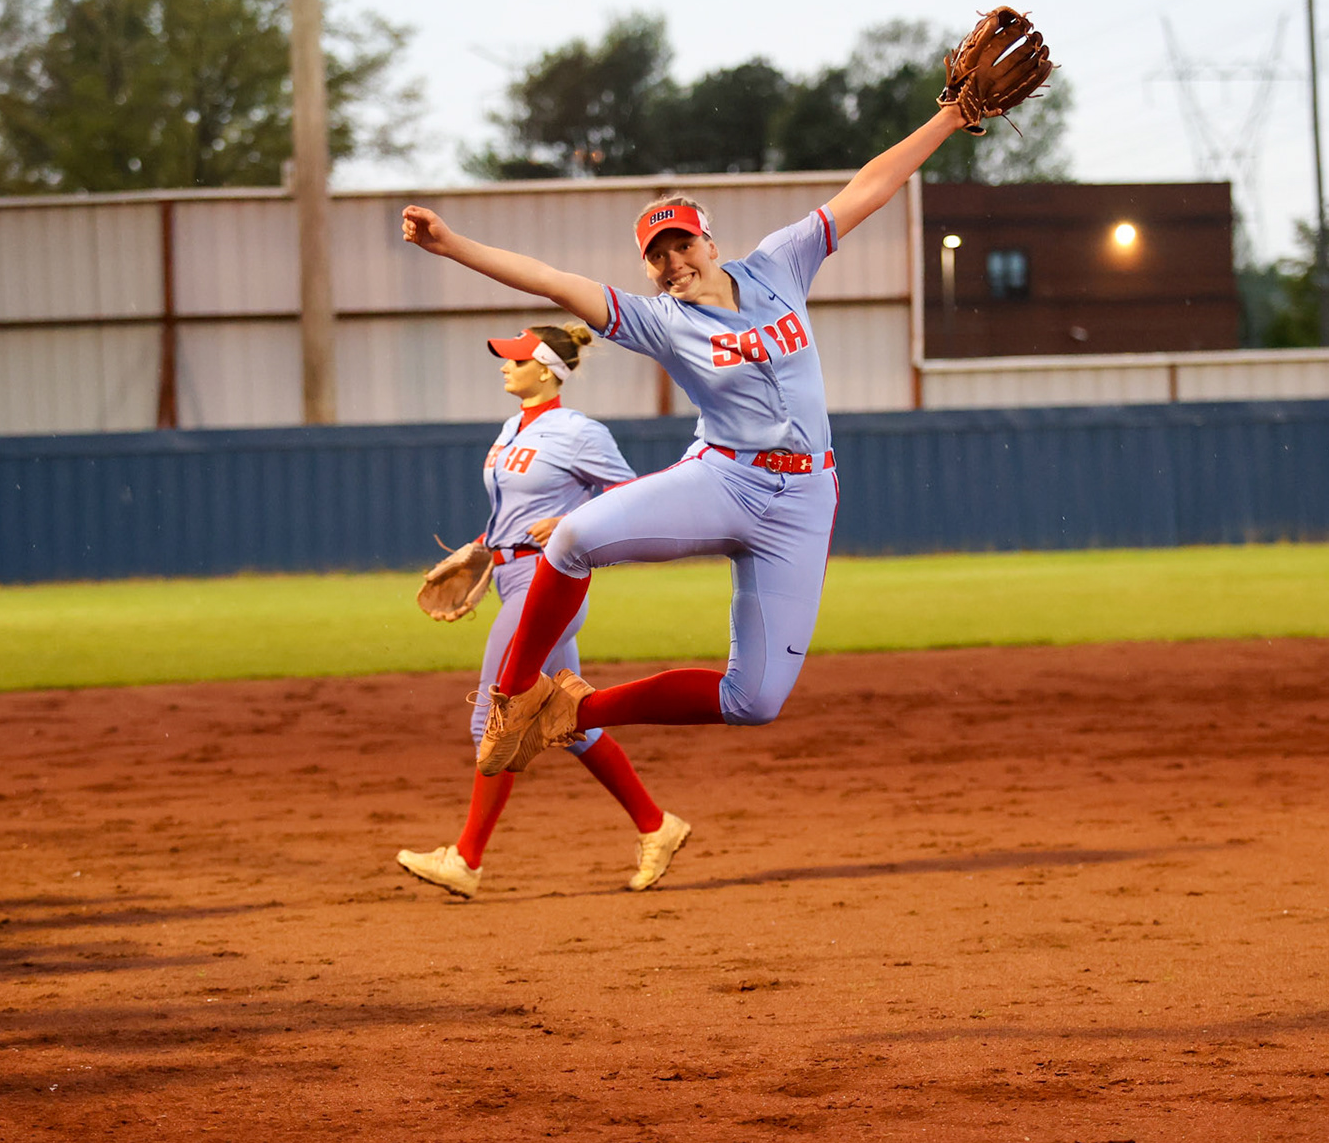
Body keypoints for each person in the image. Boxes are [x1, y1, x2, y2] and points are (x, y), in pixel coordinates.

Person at [400, 104, 974, 772]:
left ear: (709, 241)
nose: (673, 263)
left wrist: (954, 115)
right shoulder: (660, 321)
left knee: (754, 700)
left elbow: (869, 187)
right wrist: (453, 246)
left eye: (682, 245)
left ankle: (571, 711)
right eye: (657, 255)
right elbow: (555, 281)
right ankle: (513, 698)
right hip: (725, 479)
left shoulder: (780, 265)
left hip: (805, 498)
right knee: (573, 537)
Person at [396, 326, 691, 899]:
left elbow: (632, 495)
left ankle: (467, 860)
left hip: (548, 582)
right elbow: (518, 510)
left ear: (548, 369)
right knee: (567, 722)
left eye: (516, 359)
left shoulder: (578, 432)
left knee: (495, 716)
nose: (505, 366)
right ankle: (658, 826)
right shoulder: (512, 429)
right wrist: (483, 549)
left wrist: (571, 523)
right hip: (509, 575)